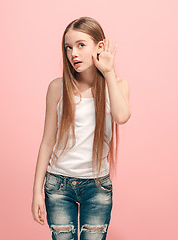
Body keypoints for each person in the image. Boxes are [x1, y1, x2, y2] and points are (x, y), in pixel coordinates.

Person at [31, 16, 131, 240]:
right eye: (68, 47)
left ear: (100, 46)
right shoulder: (57, 88)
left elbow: (121, 116)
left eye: (81, 45)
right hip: (58, 184)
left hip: (97, 186)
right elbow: (47, 141)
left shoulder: (117, 85)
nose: (73, 54)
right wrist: (37, 190)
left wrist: (109, 72)